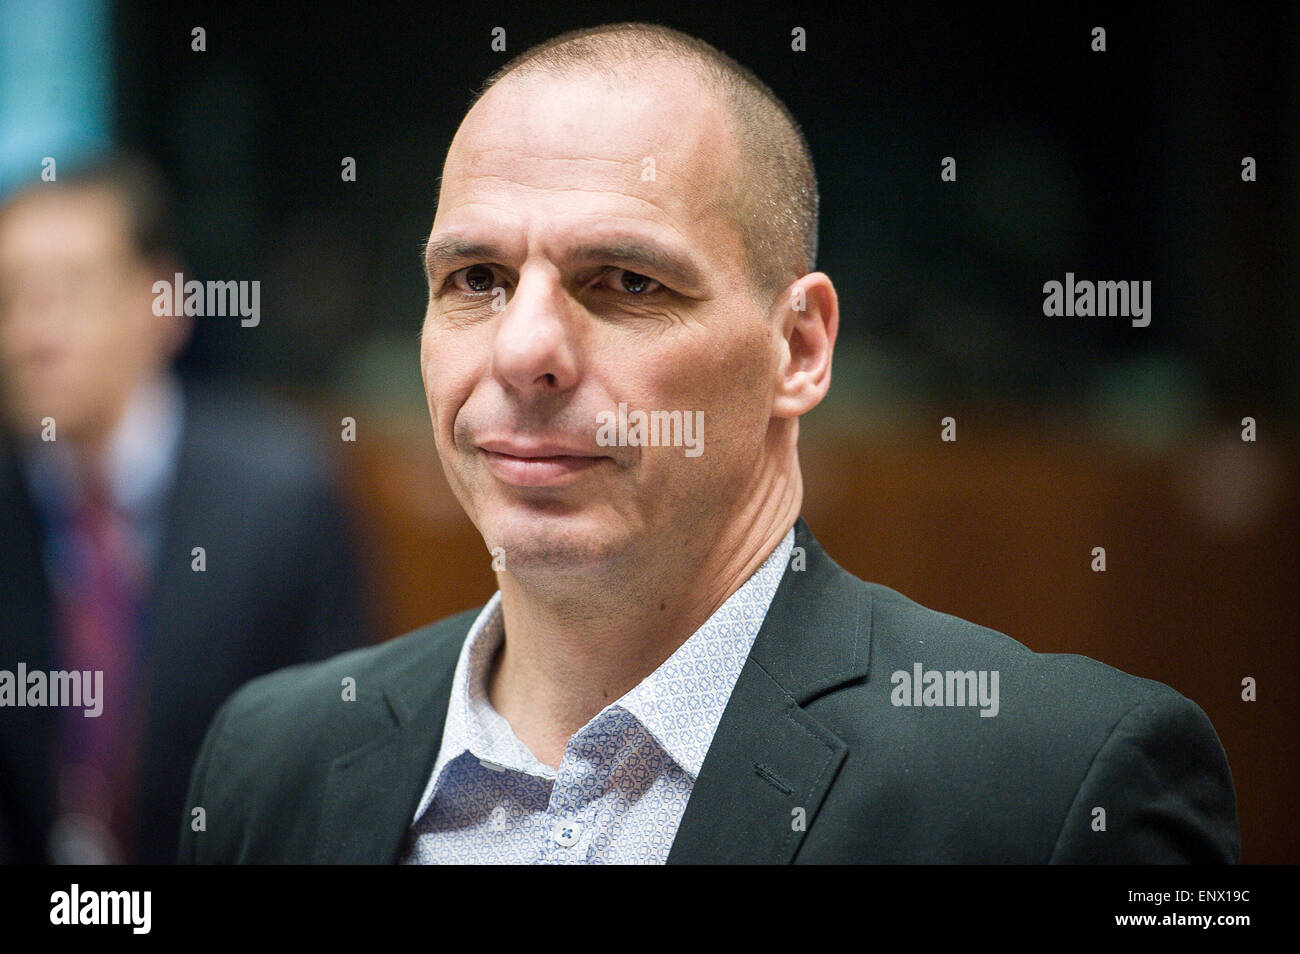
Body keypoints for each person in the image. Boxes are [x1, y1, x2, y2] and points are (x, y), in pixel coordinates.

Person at [178, 22, 1238, 864]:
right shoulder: (271, 759)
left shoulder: (1057, 785)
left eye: (626, 282)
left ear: (799, 348)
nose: (524, 350)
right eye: (476, 281)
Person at [0, 154, 366, 864]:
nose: (33, 334)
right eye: (11, 296)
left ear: (161, 305)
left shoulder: (281, 496)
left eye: (70, 291)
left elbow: (338, 760)